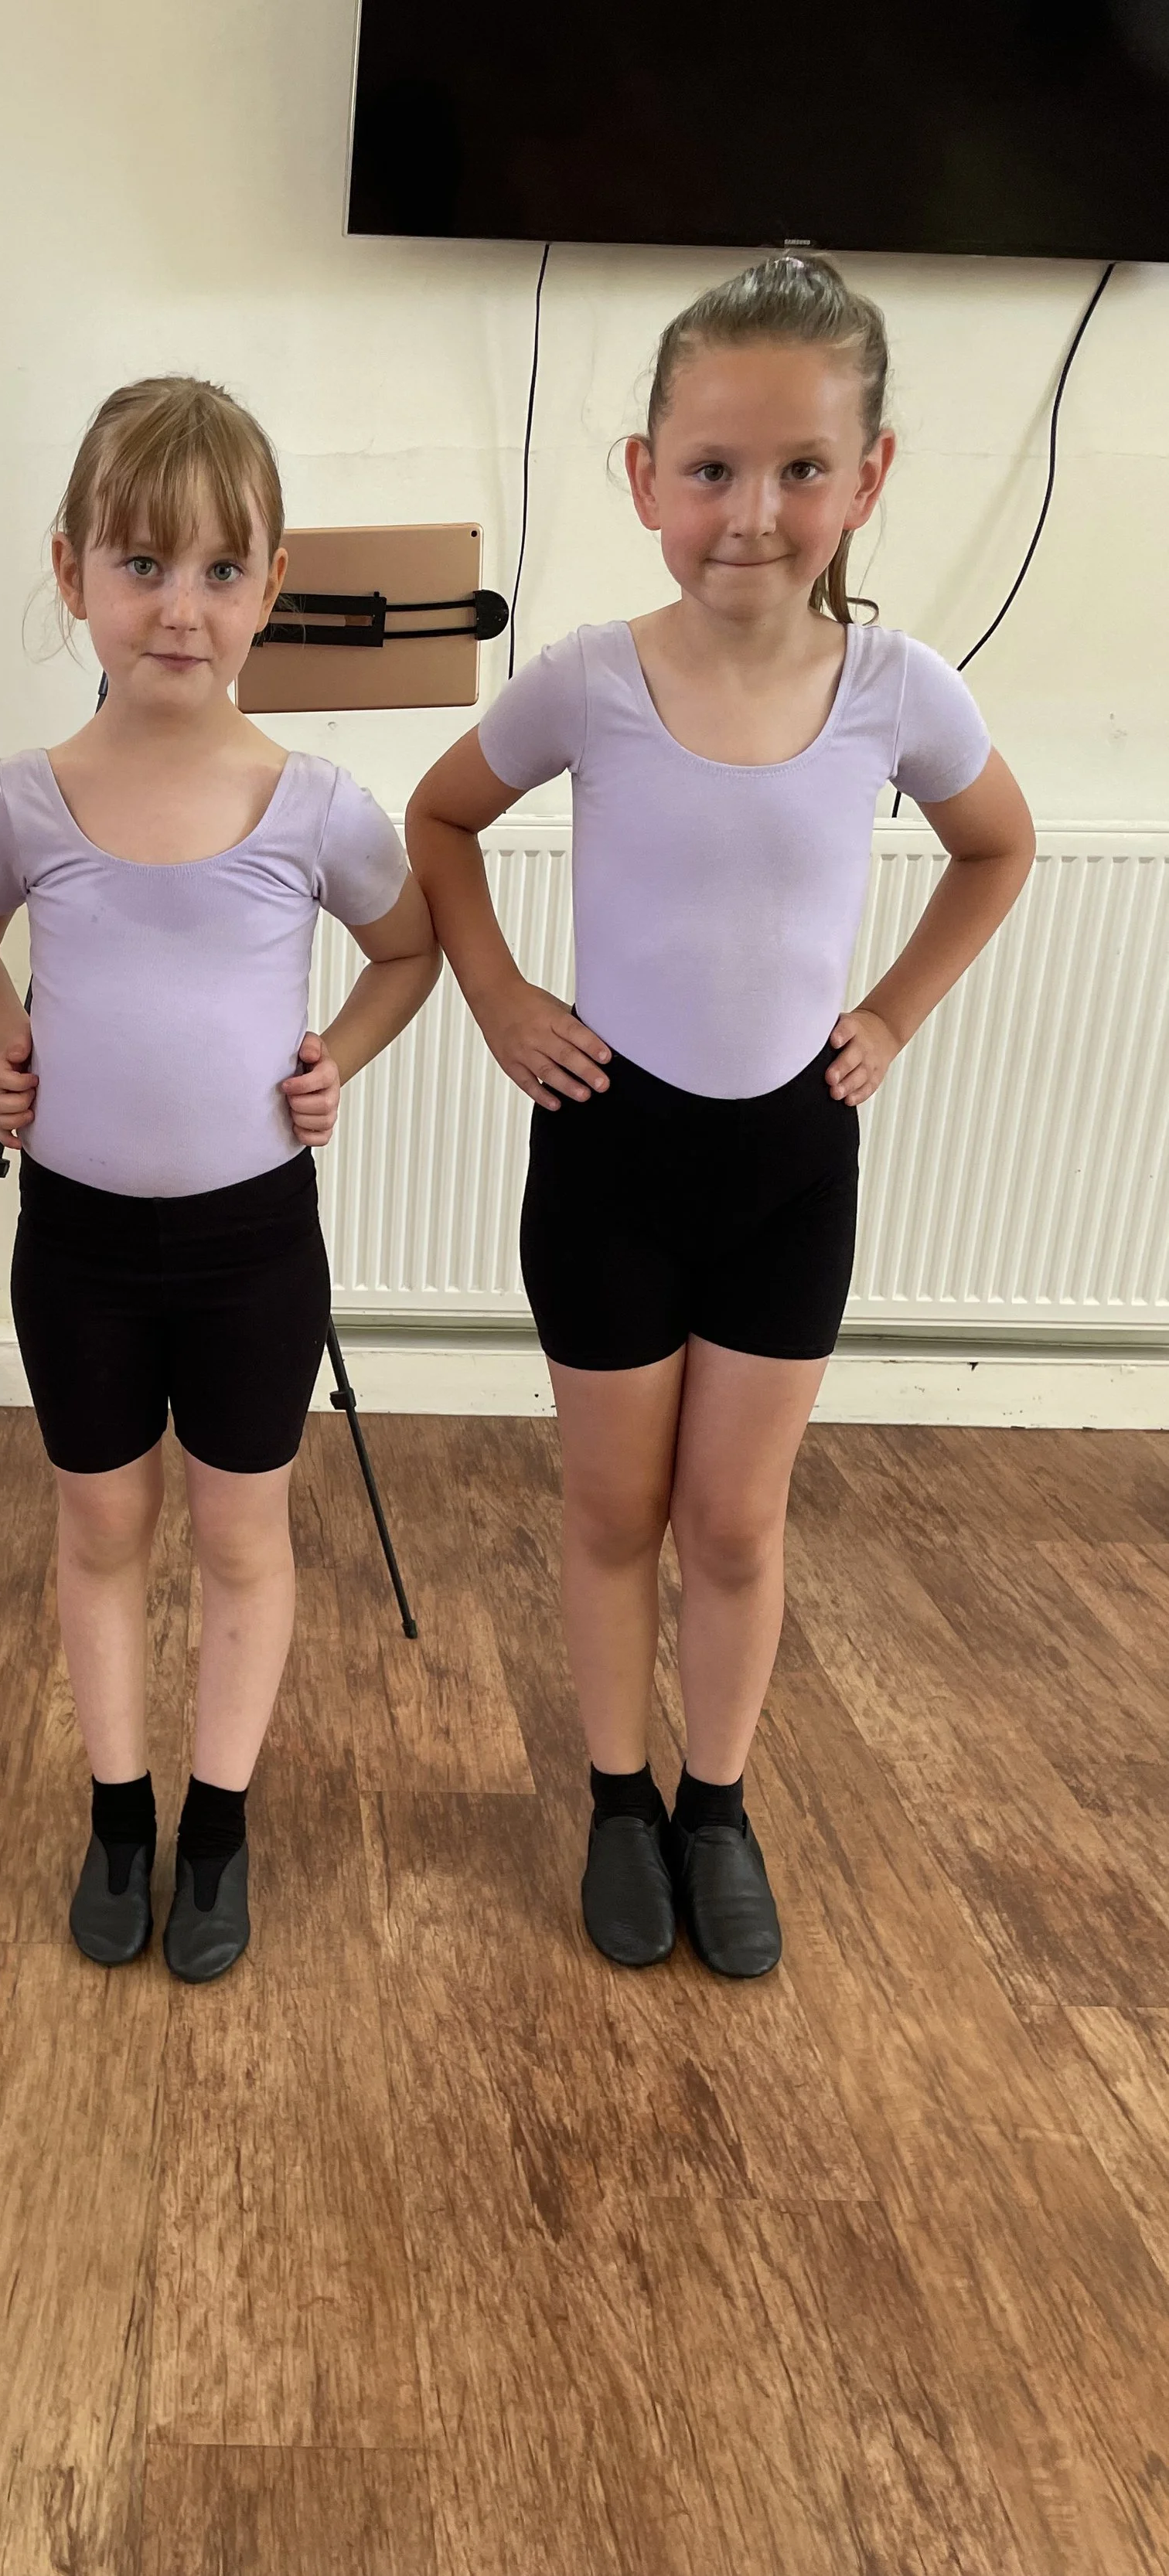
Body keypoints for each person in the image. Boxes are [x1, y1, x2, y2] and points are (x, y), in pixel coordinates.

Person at [406, 255, 1034, 1979]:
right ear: (641, 479)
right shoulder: (591, 679)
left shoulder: (899, 691)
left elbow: (998, 847)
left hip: (784, 1170)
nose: (750, 513)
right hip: (607, 1161)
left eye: (798, 469)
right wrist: (498, 996)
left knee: (735, 1522)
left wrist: (893, 1011)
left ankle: (715, 1799)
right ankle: (616, 1796)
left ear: (870, 476)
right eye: (709, 470)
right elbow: (438, 817)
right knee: (611, 1512)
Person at [0, 376, 437, 1981]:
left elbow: (407, 947)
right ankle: (118, 1807)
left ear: (270, 587)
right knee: (98, 1531)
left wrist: (336, 1052)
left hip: (247, 1250)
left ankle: (215, 1822)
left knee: (238, 1538)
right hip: (74, 1243)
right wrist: (10, 1037)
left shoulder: (315, 806)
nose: (179, 607)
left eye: (220, 572)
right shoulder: (20, 799)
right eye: (141, 564)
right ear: (70, 566)